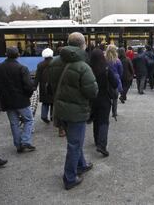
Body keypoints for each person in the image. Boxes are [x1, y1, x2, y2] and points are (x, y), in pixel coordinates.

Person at [48, 32, 98, 190]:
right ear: (82, 45)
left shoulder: (54, 62)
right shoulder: (83, 66)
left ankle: (81, 164)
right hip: (76, 111)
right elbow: (92, 92)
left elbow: (51, 86)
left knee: (74, 141)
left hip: (60, 109)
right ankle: (69, 177)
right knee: (75, 144)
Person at [0, 47, 36, 154]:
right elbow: (28, 86)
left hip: (7, 101)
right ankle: (25, 141)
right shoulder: (22, 68)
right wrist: (28, 95)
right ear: (18, 55)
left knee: (14, 123)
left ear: (6, 54)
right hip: (21, 100)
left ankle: (18, 145)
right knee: (29, 120)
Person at [90, 49, 118, 157]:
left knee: (95, 120)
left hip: (92, 99)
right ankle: (102, 145)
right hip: (104, 98)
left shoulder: (88, 69)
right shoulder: (106, 69)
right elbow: (115, 84)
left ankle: (96, 140)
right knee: (104, 121)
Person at [106, 45, 123, 119]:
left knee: (107, 96)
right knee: (115, 97)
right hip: (115, 80)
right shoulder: (117, 60)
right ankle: (114, 112)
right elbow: (121, 71)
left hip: (106, 79)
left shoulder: (104, 59)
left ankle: (107, 111)